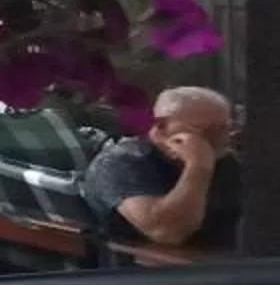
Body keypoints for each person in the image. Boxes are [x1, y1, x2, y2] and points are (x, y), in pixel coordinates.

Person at [84, 85, 241, 251]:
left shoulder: (226, 160)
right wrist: (198, 167)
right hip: (150, 267)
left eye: (225, 128)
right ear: (161, 126)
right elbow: (167, 232)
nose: (223, 138)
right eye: (207, 131)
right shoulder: (123, 162)